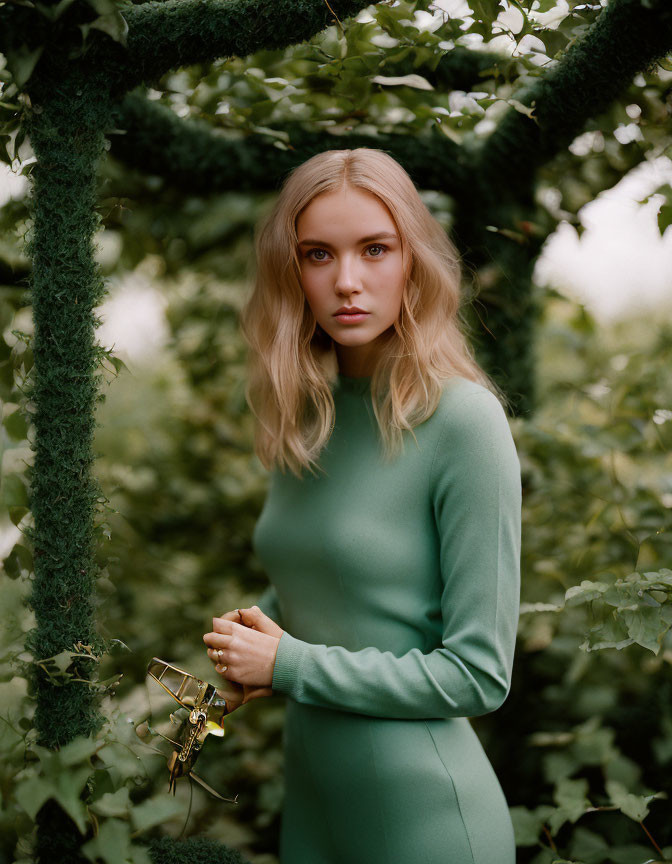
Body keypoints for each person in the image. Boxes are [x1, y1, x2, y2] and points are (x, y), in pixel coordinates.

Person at [202, 147, 522, 864]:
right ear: (294, 271)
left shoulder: (464, 424)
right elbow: (335, 592)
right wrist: (253, 636)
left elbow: (477, 675)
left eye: (375, 249)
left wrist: (285, 665)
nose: (347, 281)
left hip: (429, 824)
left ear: (414, 261)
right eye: (318, 254)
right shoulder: (304, 417)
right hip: (314, 811)